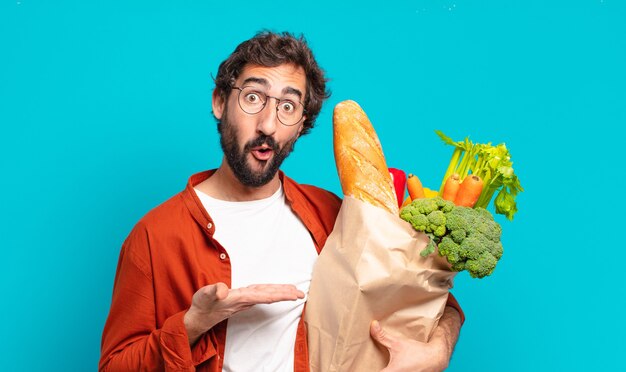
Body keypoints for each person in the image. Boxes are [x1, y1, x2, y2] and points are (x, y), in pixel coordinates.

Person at [100, 31, 463, 372]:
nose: (268, 125)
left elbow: (426, 296)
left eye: (288, 106)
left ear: (301, 123)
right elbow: (115, 364)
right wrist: (194, 323)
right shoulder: (155, 235)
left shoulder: (331, 214)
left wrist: (438, 350)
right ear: (220, 101)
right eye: (253, 97)